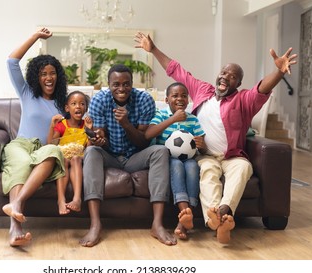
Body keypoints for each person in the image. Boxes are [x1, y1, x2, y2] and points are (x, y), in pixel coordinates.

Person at [135, 31, 298, 244]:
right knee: (207, 173)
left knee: (243, 168)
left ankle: (222, 212)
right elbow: (177, 71)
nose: (225, 77)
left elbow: (261, 89)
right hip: (205, 155)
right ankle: (219, 221)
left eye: (232, 76)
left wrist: (278, 72)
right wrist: (154, 50)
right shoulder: (202, 90)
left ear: (238, 83)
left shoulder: (244, 100)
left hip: (232, 156)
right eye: (224, 72)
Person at [80, 64, 177, 247]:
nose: (121, 89)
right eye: (116, 84)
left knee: (161, 151)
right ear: (108, 85)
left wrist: (126, 123)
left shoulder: (144, 100)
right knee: (92, 151)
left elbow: (142, 142)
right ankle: (95, 224)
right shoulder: (100, 99)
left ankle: (157, 224)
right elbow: (102, 136)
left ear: (132, 84)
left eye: (126, 84)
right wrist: (100, 139)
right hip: (109, 155)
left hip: (135, 156)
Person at [1, 27, 68, 247]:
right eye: (43, 73)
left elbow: (63, 138)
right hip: (21, 145)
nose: (49, 78)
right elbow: (12, 61)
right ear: (36, 77)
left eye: (52, 73)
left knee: (54, 151)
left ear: (58, 76)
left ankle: (17, 203)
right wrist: (35, 36)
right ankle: (16, 229)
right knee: (21, 163)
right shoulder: (27, 93)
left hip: (43, 148)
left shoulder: (63, 104)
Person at [145, 82, 206, 240]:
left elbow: (202, 147)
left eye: (184, 96)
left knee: (193, 167)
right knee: (177, 165)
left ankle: (184, 220)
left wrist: (202, 145)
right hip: (168, 158)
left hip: (189, 158)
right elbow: (149, 133)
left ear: (188, 100)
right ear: (166, 100)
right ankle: (185, 213)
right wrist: (173, 119)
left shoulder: (192, 119)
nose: (180, 99)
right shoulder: (161, 115)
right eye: (175, 95)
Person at [47, 91, 93, 215]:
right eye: (74, 104)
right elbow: (52, 145)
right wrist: (52, 126)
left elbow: (89, 149)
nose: (78, 106)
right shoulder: (62, 125)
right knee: (65, 160)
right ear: (67, 108)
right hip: (64, 158)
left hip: (80, 158)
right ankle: (61, 200)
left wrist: (89, 130)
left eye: (82, 104)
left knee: (75, 159)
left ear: (86, 108)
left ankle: (77, 199)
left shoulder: (86, 125)